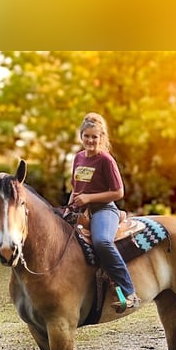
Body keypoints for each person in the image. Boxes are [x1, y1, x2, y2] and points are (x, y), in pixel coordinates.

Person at [67, 113, 140, 311]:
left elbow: (118, 192)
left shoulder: (105, 160)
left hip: (104, 210)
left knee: (102, 241)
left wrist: (89, 199)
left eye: (94, 137)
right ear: (81, 136)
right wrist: (68, 207)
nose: (90, 140)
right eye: (86, 136)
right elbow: (76, 188)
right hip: (81, 209)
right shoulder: (78, 158)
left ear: (101, 138)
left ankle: (129, 291)